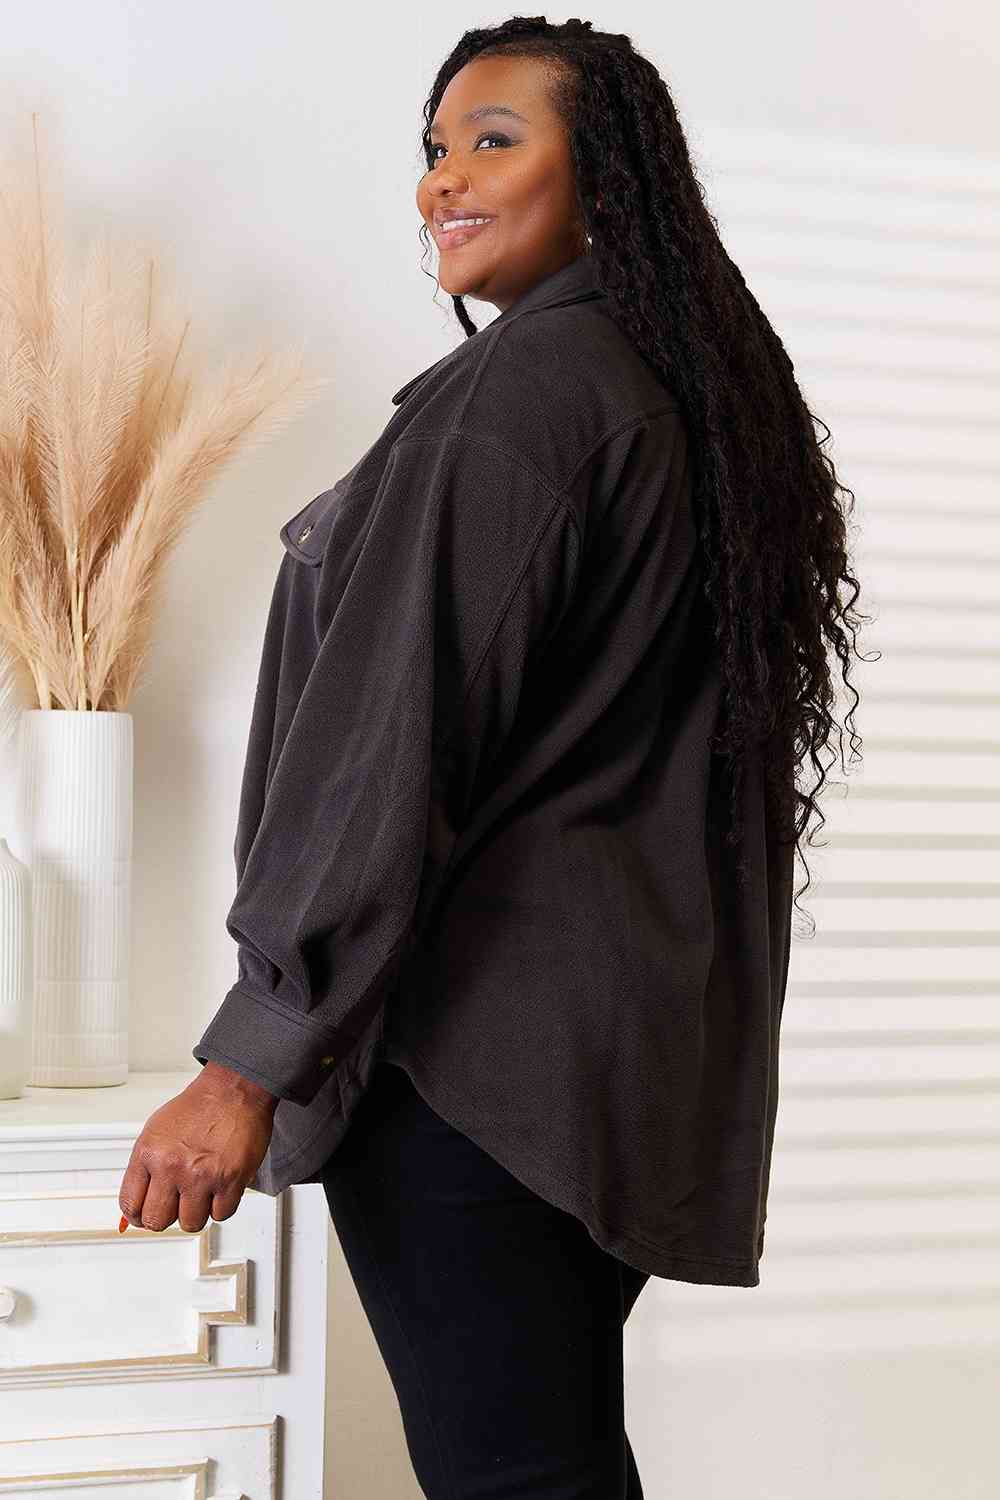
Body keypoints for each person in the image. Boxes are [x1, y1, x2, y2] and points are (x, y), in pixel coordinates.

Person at [119, 17, 869, 1498]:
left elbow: (393, 745)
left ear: (608, 178)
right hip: (607, 1067)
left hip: (473, 1068)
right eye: (435, 148)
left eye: (495, 140)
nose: (443, 181)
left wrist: (247, 1062)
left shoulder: (528, 396)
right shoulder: (673, 393)